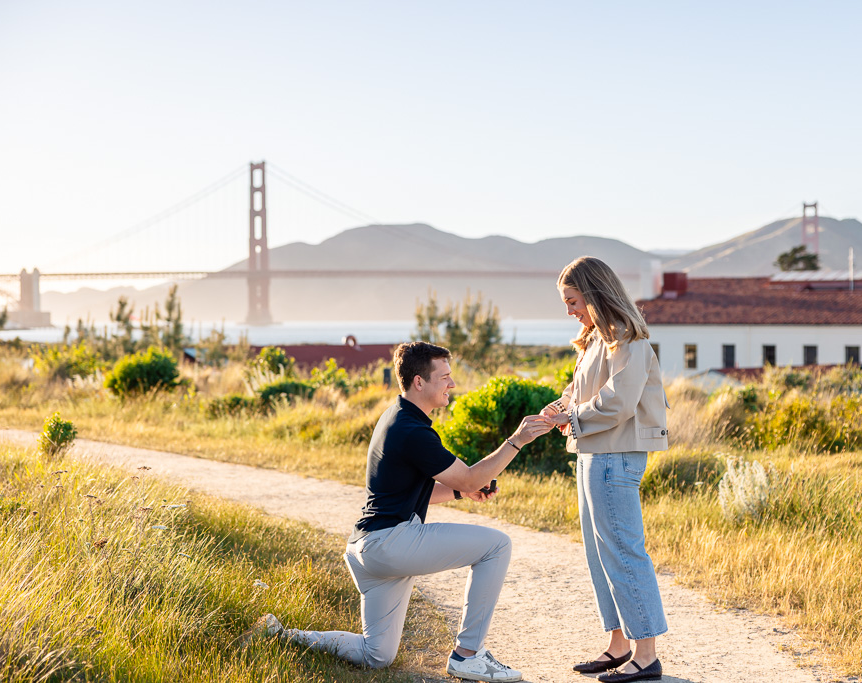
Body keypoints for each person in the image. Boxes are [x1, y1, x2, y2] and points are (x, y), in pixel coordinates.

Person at [246, 341, 552, 682]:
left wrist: (460, 492)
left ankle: (284, 635)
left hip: (367, 549)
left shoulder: (396, 417)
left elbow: (423, 491)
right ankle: (468, 655)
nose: (452, 384)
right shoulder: (412, 431)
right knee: (497, 545)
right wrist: (517, 440)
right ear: (419, 382)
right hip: (391, 544)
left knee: (376, 654)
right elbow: (470, 476)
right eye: (445, 377)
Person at [541, 256, 670, 683]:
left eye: (574, 300)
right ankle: (619, 645)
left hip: (616, 454)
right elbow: (580, 392)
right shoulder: (597, 340)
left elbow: (616, 403)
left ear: (594, 294)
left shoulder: (628, 341)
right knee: (600, 554)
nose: (570, 310)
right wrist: (559, 408)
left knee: (624, 551)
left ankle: (646, 653)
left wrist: (570, 418)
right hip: (593, 452)